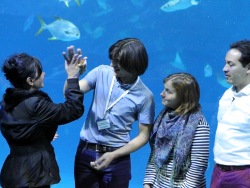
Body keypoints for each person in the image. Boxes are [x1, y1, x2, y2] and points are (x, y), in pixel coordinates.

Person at [63, 38, 155, 188]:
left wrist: (114, 155)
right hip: (86, 153)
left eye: (117, 62)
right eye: (112, 60)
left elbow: (144, 136)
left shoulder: (145, 96)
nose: (112, 64)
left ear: (133, 64)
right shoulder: (101, 72)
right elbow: (69, 94)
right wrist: (73, 76)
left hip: (118, 158)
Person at [0, 52, 86, 188]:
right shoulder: (36, 104)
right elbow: (73, 109)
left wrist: (40, 137)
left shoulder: (6, 102)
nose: (44, 74)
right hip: (33, 175)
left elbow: (22, 130)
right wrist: (73, 77)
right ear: (30, 80)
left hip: (13, 170)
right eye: (40, 72)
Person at [143, 73, 210, 188]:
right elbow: (155, 155)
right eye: (164, 89)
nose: (162, 94)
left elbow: (197, 168)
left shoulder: (199, 125)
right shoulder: (163, 117)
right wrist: (147, 183)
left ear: (183, 96)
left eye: (168, 91)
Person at [210, 40, 250, 188]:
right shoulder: (227, 94)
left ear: (248, 67)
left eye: (231, 64)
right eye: (225, 63)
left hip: (244, 174)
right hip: (219, 170)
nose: (224, 69)